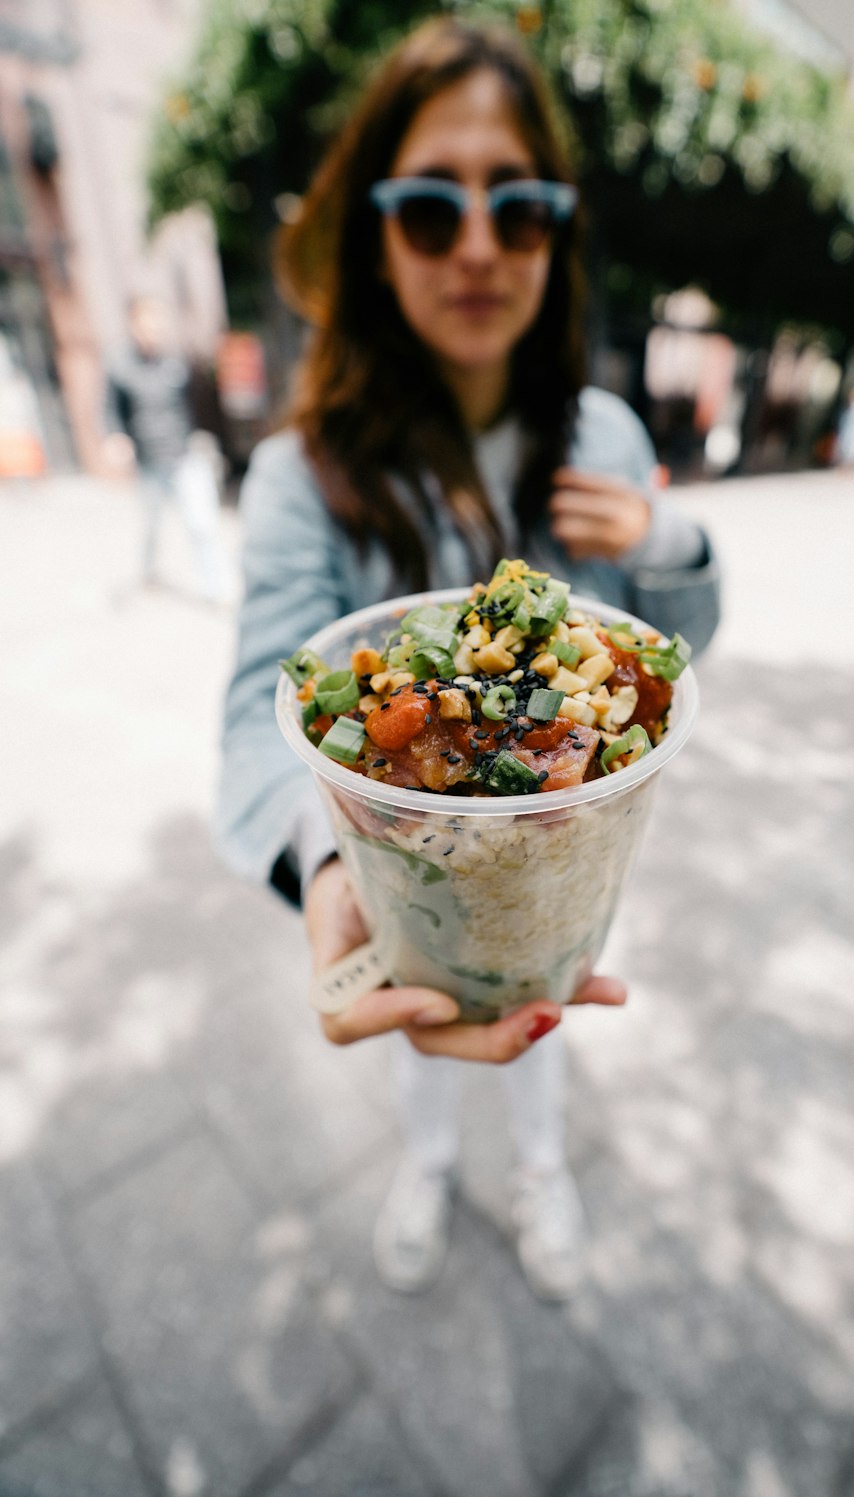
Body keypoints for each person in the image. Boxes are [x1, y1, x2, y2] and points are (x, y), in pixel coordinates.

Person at [217, 17, 720, 1300]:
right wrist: (331, 861)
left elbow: (670, 662)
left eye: (523, 209)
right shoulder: (302, 475)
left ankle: (540, 1170)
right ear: (376, 240)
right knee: (425, 1018)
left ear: (558, 233)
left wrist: (666, 538)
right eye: (432, 210)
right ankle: (429, 1167)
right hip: (404, 874)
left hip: (567, 850)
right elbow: (261, 704)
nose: (481, 245)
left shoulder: (602, 435)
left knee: (542, 1016)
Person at [104, 295, 232, 602]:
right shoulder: (121, 366)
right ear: (133, 326)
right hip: (149, 460)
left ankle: (214, 588)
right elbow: (110, 409)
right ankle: (149, 573)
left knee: (202, 523)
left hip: (184, 455)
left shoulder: (177, 362)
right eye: (145, 324)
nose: (151, 330)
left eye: (155, 323)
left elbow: (197, 403)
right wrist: (116, 438)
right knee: (151, 524)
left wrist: (206, 438)